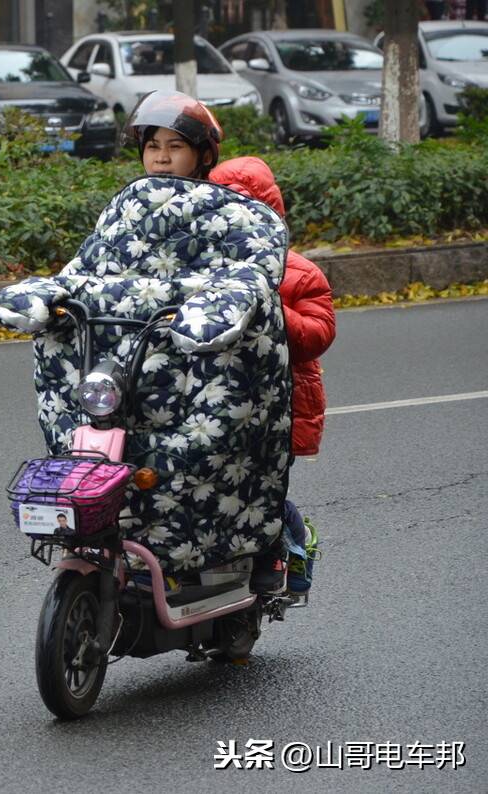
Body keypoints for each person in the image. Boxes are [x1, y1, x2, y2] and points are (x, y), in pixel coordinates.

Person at [0, 90, 293, 579]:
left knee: (222, 466)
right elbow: (82, 272)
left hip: (194, 367)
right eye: (152, 145)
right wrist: (45, 296)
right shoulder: (124, 212)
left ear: (203, 154)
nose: (161, 157)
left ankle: (263, 555)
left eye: (175, 146)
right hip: (124, 373)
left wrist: (215, 310)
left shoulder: (242, 217)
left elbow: (250, 276)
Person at [208, 156, 335, 594]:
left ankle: (292, 544)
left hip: (278, 404)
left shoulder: (297, 272)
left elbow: (317, 335)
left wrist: (271, 307)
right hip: (217, 397)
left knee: (258, 489)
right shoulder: (200, 266)